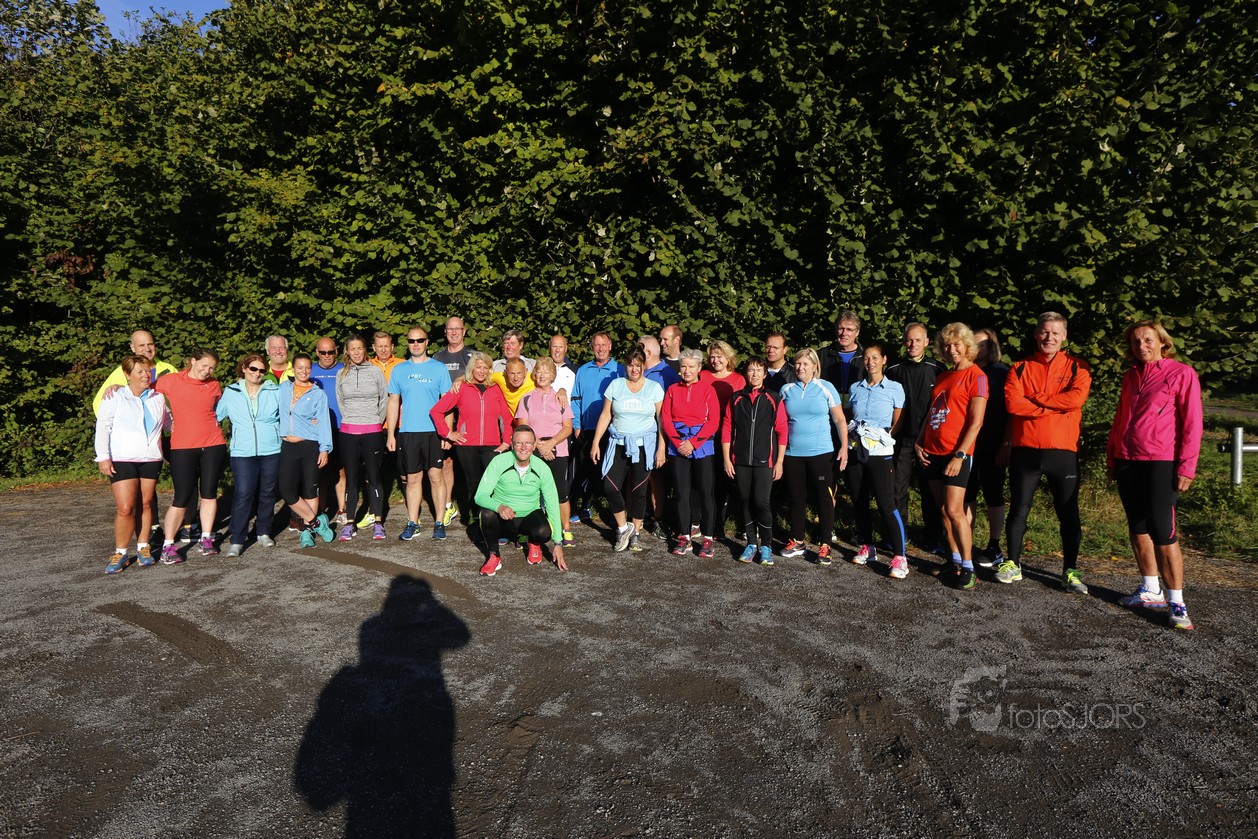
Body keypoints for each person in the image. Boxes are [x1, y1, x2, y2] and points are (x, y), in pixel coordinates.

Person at [1108, 320, 1203, 630]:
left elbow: (1193, 422)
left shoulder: (1181, 373)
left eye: (1148, 340)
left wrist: (1187, 466)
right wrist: (1113, 455)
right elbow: (1121, 418)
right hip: (1127, 459)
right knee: (1137, 526)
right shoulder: (1130, 376)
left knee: (1163, 531)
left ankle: (1177, 602)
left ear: (1163, 342)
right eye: (1135, 342)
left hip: (1161, 460)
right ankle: (1151, 590)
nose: (1141, 346)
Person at [997, 313, 1091, 592]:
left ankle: (1070, 570)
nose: (1049, 338)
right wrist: (1054, 407)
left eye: (1055, 333)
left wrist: (1035, 400)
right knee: (1019, 508)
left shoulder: (1077, 367)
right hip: (1026, 450)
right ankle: (1013, 563)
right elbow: (1013, 405)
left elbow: (1076, 399)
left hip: (1063, 451)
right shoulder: (1020, 368)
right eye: (1044, 332)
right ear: (1036, 334)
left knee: (1068, 512)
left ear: (1064, 336)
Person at [914, 324, 989, 590]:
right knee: (943, 510)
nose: (951, 349)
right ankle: (954, 559)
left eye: (957, 344)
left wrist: (960, 455)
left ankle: (969, 568)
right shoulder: (944, 375)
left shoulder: (977, 376)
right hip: (933, 451)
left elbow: (976, 422)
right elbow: (933, 411)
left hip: (956, 453)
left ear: (968, 346)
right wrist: (920, 441)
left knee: (956, 511)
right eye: (947, 345)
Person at [94, 355, 170, 573]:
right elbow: (103, 427)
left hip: (150, 458)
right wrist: (103, 456)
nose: (145, 375)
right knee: (126, 508)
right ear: (127, 375)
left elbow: (169, 424)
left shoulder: (158, 397)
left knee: (145, 504)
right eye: (140, 372)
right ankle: (120, 552)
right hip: (122, 458)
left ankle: (143, 547)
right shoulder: (115, 396)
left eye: (148, 371)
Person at [429, 351, 514, 531]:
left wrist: (506, 442)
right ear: (472, 369)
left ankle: (494, 519)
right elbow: (436, 411)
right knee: (474, 483)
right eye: (478, 367)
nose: (482, 371)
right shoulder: (462, 387)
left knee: (493, 483)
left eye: (486, 367)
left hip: (492, 445)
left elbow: (507, 419)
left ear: (490, 370)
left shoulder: (495, 389)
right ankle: (476, 520)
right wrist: (448, 433)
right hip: (467, 445)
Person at [591, 347, 665, 552]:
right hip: (618, 443)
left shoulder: (654, 388)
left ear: (644, 366)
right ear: (626, 366)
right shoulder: (615, 385)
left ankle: (636, 534)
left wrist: (661, 447)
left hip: (644, 446)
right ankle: (624, 528)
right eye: (631, 365)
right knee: (609, 486)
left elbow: (661, 420)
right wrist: (596, 442)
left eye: (638, 366)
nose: (634, 369)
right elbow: (606, 415)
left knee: (639, 491)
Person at [779, 348, 849, 565]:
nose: (800, 368)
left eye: (805, 364)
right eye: (798, 364)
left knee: (824, 498)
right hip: (792, 453)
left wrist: (844, 447)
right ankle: (798, 540)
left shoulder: (825, 387)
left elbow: (839, 419)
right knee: (796, 498)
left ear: (815, 367)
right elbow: (780, 423)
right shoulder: (786, 389)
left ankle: (825, 545)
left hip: (821, 452)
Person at [155, 349, 226, 562]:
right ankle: (168, 545)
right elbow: (140, 388)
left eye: (211, 368)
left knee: (209, 493)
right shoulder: (170, 381)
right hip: (182, 446)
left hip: (213, 444)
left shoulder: (214, 385)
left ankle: (206, 538)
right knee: (182, 496)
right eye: (204, 365)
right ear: (193, 361)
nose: (207, 371)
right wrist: (116, 387)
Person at [845, 342, 909, 578]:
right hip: (857, 450)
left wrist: (884, 436)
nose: (870, 362)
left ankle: (900, 556)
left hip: (880, 453)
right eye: (866, 358)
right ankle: (867, 546)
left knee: (886, 503)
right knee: (859, 500)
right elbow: (850, 415)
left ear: (884, 360)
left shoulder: (894, 388)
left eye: (875, 357)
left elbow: (898, 420)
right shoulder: (855, 388)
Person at [386, 326, 453, 541]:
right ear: (407, 343)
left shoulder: (439, 368)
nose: (415, 344)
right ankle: (413, 523)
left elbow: (447, 403)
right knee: (413, 479)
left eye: (420, 340)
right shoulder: (399, 370)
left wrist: (447, 433)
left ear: (427, 342)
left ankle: (439, 523)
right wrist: (391, 434)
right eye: (411, 341)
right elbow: (393, 402)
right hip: (408, 432)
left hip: (434, 432)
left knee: (436, 477)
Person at [474, 426, 568, 576]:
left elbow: (552, 505)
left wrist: (558, 543)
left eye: (528, 443)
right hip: (503, 517)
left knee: (544, 532)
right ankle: (494, 556)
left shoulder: (542, 468)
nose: (523, 447)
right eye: (519, 443)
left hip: (529, 516)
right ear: (512, 445)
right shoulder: (498, 462)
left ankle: (534, 542)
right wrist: (499, 507)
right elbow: (480, 496)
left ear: (534, 445)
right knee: (486, 514)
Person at [722, 356, 788, 565]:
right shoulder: (736, 398)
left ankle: (766, 546)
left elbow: (782, 431)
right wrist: (727, 459)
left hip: (765, 460)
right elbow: (727, 428)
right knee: (745, 501)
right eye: (751, 370)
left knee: (761, 502)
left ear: (765, 374)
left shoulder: (773, 398)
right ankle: (751, 543)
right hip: (740, 459)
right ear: (746, 373)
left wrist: (779, 462)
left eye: (759, 370)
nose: (755, 374)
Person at [217, 354, 285, 556]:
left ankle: (263, 531)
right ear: (244, 368)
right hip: (242, 452)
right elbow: (214, 416)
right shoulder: (231, 391)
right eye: (253, 369)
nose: (257, 373)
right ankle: (237, 539)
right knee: (243, 494)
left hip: (271, 449)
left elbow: (288, 416)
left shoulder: (275, 391)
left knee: (267, 493)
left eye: (262, 370)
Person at [886, 322, 946, 550]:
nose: (913, 344)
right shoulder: (893, 369)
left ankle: (933, 537)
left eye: (918, 340)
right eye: (909, 340)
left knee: (929, 489)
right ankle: (899, 534)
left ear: (927, 342)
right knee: (897, 488)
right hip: (901, 439)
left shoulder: (937, 368)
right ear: (904, 341)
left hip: (928, 439)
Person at [661, 349, 720, 557]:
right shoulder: (672, 389)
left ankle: (708, 538)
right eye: (684, 366)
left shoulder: (708, 390)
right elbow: (666, 418)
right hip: (677, 444)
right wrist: (678, 443)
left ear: (699, 368)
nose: (687, 370)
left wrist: (693, 443)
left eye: (691, 367)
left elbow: (714, 421)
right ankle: (684, 537)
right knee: (681, 493)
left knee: (706, 493)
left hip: (701, 444)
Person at [277, 354, 337, 548]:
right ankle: (316, 522)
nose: (303, 371)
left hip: (310, 445)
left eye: (307, 368)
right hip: (288, 446)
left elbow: (324, 423)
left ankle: (306, 532)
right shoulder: (283, 388)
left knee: (310, 489)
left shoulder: (318, 394)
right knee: (287, 491)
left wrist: (324, 449)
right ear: (293, 369)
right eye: (300, 367)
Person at [515, 358, 576, 546]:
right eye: (539, 372)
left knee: (560, 492)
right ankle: (525, 531)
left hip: (558, 449)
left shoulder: (560, 398)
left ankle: (566, 530)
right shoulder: (526, 398)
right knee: (529, 491)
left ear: (552, 376)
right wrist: (540, 445)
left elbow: (568, 427)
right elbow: (522, 427)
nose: (542, 376)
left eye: (546, 372)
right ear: (534, 375)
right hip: (533, 449)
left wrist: (551, 444)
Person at [336, 335, 389, 541]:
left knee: (374, 477)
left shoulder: (375, 372)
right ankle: (349, 523)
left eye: (360, 348)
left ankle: (378, 523)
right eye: (353, 349)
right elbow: (341, 402)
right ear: (347, 351)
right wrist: (352, 419)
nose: (356, 352)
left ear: (365, 350)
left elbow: (384, 400)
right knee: (351, 479)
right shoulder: (341, 374)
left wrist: (375, 421)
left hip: (372, 431)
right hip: (348, 432)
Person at [966, 328, 1010, 569]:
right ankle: (965, 543)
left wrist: (1006, 443)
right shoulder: (965, 371)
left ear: (991, 347)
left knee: (993, 493)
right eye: (973, 344)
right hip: (967, 443)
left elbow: (1012, 412)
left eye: (981, 344)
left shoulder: (1002, 373)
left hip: (993, 442)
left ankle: (994, 545)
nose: (977, 348)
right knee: (967, 493)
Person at [569, 332, 624, 519]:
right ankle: (585, 507)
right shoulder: (583, 370)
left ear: (610, 346)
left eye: (604, 344)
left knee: (607, 472)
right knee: (586, 470)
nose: (600, 348)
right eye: (597, 345)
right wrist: (577, 425)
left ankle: (615, 510)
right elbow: (576, 399)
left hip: (612, 430)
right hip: (587, 428)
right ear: (592, 347)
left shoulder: (619, 370)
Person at [701, 340, 746, 537]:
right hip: (704, 434)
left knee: (723, 480)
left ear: (728, 358)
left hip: (727, 433)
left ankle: (719, 521)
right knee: (704, 479)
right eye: (712, 356)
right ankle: (700, 520)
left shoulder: (738, 379)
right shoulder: (702, 375)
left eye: (719, 356)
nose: (715, 360)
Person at [432, 316, 474, 526]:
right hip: (443, 416)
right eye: (450, 329)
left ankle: (474, 507)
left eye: (458, 329)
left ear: (464, 331)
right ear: (445, 332)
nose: (454, 332)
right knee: (446, 462)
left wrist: (462, 378)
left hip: (468, 417)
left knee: (470, 463)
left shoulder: (473, 356)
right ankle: (448, 505)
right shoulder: (437, 357)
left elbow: (483, 378)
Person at [92, 330, 176, 415]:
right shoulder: (123, 371)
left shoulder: (169, 370)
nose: (147, 349)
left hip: (165, 422)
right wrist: (115, 422)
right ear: (133, 348)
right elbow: (99, 403)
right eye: (141, 345)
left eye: (150, 344)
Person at [310, 337, 347, 524]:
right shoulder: (309, 371)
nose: (327, 356)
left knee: (341, 471)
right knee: (320, 473)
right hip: (317, 430)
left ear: (336, 352)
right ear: (317, 352)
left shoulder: (344, 369)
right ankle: (320, 511)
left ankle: (342, 510)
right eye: (323, 352)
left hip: (341, 427)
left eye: (330, 352)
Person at [819, 311, 864, 414]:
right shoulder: (822, 355)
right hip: (828, 411)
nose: (844, 333)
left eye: (849, 329)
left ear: (857, 332)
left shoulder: (865, 356)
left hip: (857, 412)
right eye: (841, 328)